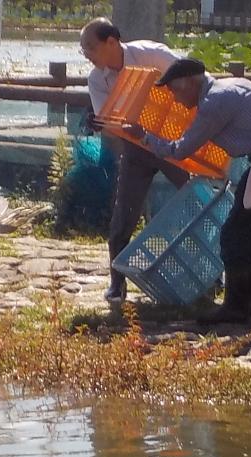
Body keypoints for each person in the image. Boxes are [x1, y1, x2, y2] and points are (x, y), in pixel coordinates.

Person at [122, 57, 251, 324]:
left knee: (234, 234)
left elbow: (181, 149)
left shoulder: (213, 102)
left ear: (190, 82)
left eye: (175, 89)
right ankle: (249, 307)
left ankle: (237, 307)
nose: (174, 98)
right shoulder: (233, 85)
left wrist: (144, 137)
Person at [80, 17, 190, 305]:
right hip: (137, 147)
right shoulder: (96, 80)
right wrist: (103, 123)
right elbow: (109, 122)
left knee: (199, 200)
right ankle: (117, 284)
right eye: (83, 50)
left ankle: (214, 275)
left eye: (90, 47)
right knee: (123, 214)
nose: (87, 55)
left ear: (112, 42)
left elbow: (191, 79)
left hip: (173, 141)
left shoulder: (150, 53)